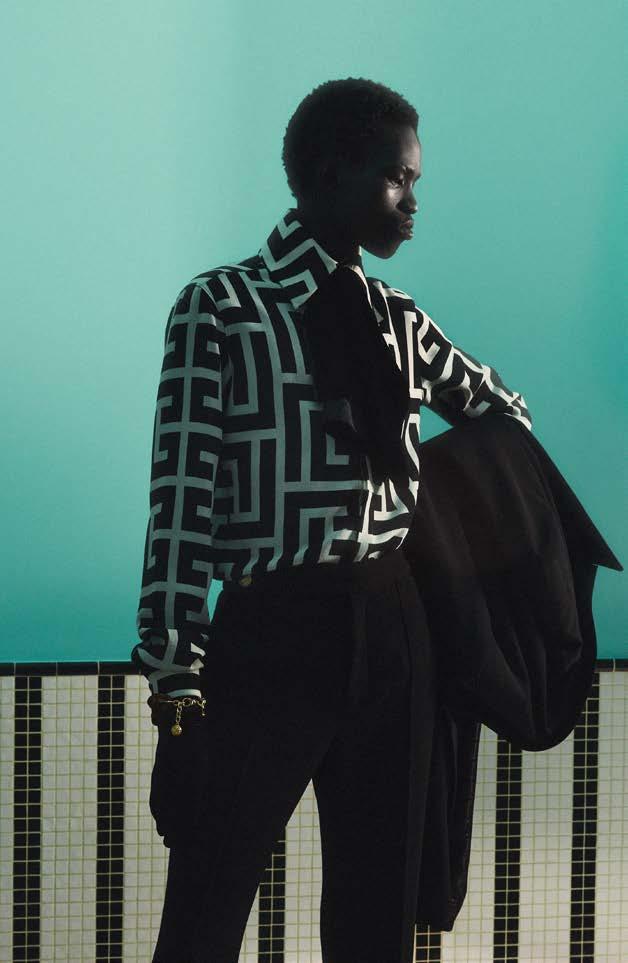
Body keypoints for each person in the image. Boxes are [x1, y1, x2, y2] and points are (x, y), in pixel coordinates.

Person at [131, 77, 532, 963]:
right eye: (396, 177)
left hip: (394, 630)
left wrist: (429, 531)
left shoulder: (399, 322)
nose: (413, 201)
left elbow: (507, 420)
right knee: (203, 915)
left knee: (375, 927)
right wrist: (176, 689)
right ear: (330, 172)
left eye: (415, 180)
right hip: (272, 631)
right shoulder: (221, 308)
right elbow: (180, 500)